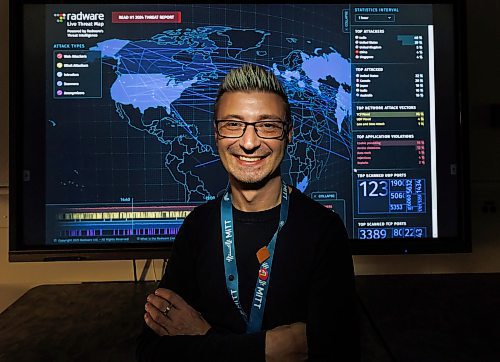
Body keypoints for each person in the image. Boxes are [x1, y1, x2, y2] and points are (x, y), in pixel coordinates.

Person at [136, 64, 360, 361]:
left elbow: (335, 352)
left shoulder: (323, 230)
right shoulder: (198, 226)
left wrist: (205, 340)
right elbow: (153, 352)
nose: (249, 142)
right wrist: (267, 349)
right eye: (233, 124)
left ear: (288, 134)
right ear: (216, 133)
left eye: (267, 125)